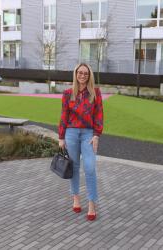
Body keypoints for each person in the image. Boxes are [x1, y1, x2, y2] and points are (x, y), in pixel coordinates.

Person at [58, 63, 103, 221]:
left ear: (89, 75)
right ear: (76, 74)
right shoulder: (67, 93)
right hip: (71, 133)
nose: (83, 75)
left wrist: (97, 134)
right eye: (80, 72)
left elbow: (99, 114)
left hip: (88, 134)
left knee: (90, 167)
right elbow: (64, 116)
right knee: (74, 167)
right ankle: (76, 198)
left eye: (86, 73)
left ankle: (92, 203)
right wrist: (61, 137)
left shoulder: (95, 93)